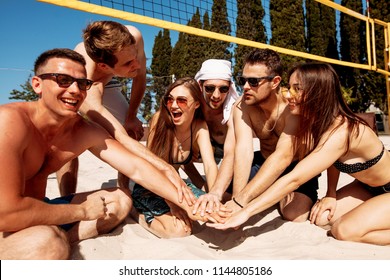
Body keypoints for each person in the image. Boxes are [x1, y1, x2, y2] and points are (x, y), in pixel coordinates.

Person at [0, 48, 214, 260]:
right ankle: (53, 241)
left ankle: (60, 238)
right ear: (37, 84)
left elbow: (137, 168)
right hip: (7, 218)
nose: (75, 90)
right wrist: (82, 211)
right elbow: (8, 213)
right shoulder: (10, 122)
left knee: (119, 199)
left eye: (82, 83)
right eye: (62, 80)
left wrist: (189, 204)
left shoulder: (81, 129)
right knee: (45, 243)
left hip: (40, 207)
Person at [208, 63, 390, 246]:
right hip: (365, 186)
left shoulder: (342, 132)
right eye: (289, 87)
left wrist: (245, 211)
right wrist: (331, 193)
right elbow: (333, 161)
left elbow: (294, 179)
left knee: (343, 230)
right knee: (322, 219)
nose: (288, 95)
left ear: (318, 93)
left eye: (297, 89)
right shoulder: (319, 122)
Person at [57, 21, 185, 195]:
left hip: (106, 81)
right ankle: (67, 198)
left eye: (136, 58)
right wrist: (165, 168)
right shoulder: (81, 78)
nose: (138, 65)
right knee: (65, 140)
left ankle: (124, 190)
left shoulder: (133, 35)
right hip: (79, 89)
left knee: (131, 129)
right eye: (128, 64)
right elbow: (120, 137)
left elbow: (140, 77)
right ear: (103, 66)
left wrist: (131, 117)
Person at [222, 49, 319, 222]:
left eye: (253, 81)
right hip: (264, 162)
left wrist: (240, 201)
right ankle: (266, 191)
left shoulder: (292, 106)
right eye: (242, 80)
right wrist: (237, 199)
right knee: (221, 197)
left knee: (294, 214)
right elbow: (244, 151)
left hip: (294, 166)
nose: (245, 87)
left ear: (274, 82)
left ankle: (271, 191)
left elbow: (283, 157)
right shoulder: (242, 106)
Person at [131, 77, 220, 238]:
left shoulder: (199, 126)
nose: (173, 105)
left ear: (197, 104)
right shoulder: (159, 119)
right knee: (179, 231)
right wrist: (172, 203)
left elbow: (210, 165)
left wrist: (213, 195)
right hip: (150, 187)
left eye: (182, 101)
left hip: (178, 186)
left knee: (213, 213)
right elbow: (150, 166)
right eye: (169, 99)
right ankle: (137, 214)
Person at [190, 59, 239, 214]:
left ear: (229, 88)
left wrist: (215, 193)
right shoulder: (192, 107)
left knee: (226, 196)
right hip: (196, 154)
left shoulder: (233, 110)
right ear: (200, 85)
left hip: (225, 155)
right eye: (210, 88)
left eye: (223, 89)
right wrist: (203, 186)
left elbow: (232, 154)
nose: (216, 95)